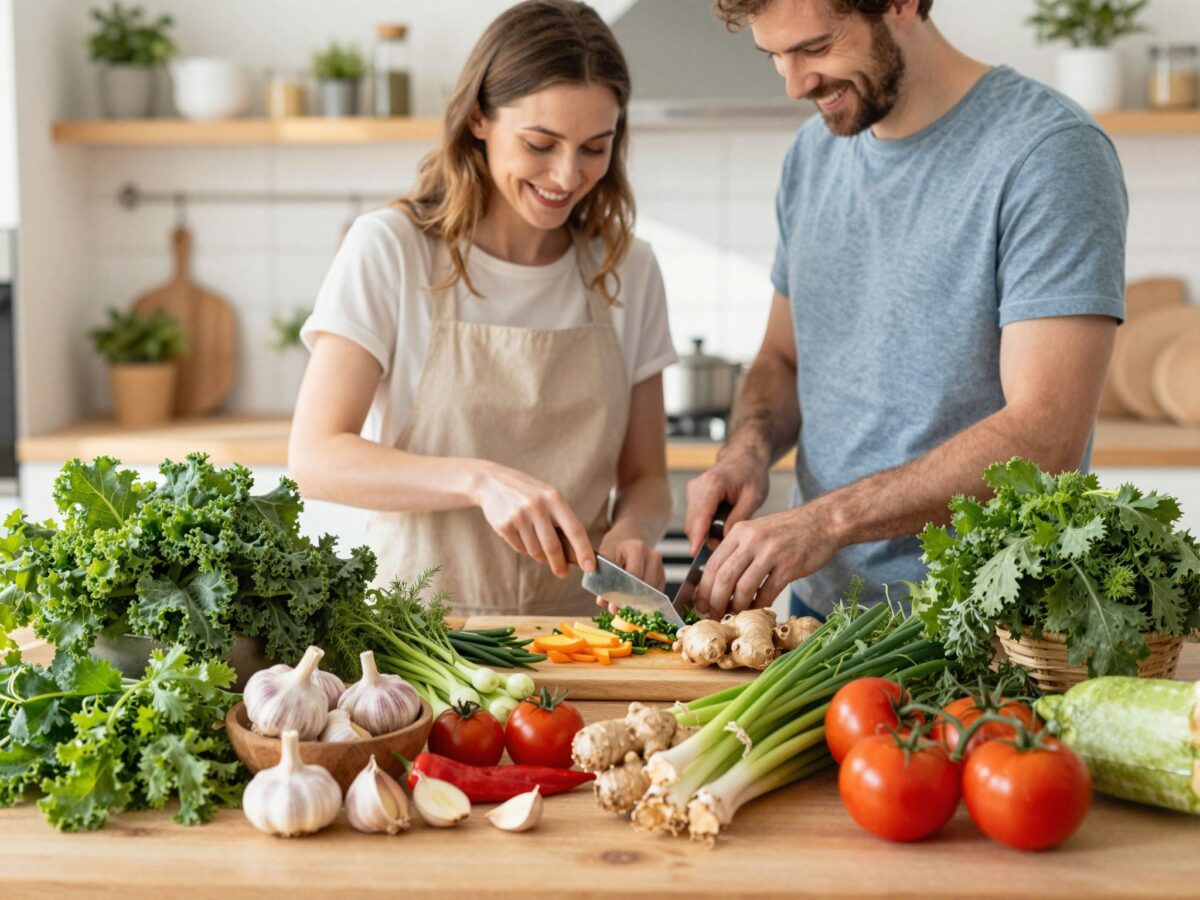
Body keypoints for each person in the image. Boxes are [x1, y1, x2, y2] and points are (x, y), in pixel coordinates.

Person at [685, 0, 1127, 619]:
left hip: (981, 624)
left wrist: (827, 521)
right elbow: (783, 357)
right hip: (821, 616)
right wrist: (747, 452)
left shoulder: (1049, 152)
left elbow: (1045, 436)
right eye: (775, 58)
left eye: (815, 48)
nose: (795, 85)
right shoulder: (813, 154)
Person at [289, 0, 676, 617]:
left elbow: (647, 477)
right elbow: (315, 459)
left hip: (577, 639)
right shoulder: (391, 249)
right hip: (418, 633)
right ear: (477, 118)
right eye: (541, 144)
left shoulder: (628, 267)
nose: (567, 175)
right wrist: (478, 480)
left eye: (593, 148)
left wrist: (633, 530)